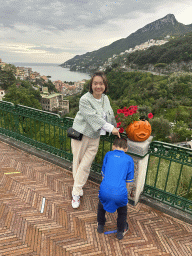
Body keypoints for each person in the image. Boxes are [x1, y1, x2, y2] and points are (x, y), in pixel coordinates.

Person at [71, 71, 120, 208]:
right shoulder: (85, 100)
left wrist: (117, 128)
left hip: (95, 137)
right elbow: (94, 118)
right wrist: (111, 129)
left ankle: (76, 189)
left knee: (86, 164)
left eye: (101, 83)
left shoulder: (105, 98)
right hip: (81, 135)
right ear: (91, 85)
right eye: (95, 83)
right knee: (78, 163)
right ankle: (76, 191)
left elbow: (109, 116)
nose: (98, 86)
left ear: (105, 85)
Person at [97, 137, 134, 240]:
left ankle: (100, 225)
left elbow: (103, 175)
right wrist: (125, 196)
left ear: (113, 146)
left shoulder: (108, 155)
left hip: (104, 189)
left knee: (101, 205)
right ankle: (120, 232)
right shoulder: (129, 160)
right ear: (126, 149)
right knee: (122, 211)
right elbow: (128, 182)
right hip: (120, 193)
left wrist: (104, 188)